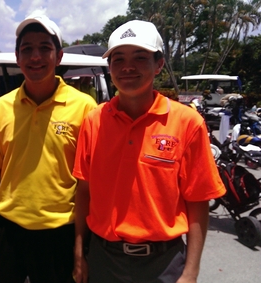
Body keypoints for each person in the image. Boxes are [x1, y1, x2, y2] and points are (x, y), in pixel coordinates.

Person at [72, 20, 226, 283]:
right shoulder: (94, 121)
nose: (127, 67)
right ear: (109, 68)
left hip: (164, 264)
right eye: (118, 59)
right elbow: (84, 192)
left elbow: (198, 201)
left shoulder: (187, 123)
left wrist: (191, 272)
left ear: (159, 65)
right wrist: (79, 253)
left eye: (140, 58)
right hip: (104, 259)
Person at [0, 13, 97, 283]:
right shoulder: (1, 108)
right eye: (27, 49)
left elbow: (89, 182)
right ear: (18, 57)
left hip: (61, 230)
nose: (35, 56)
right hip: (7, 228)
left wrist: (82, 245)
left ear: (59, 57)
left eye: (44, 48)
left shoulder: (85, 108)